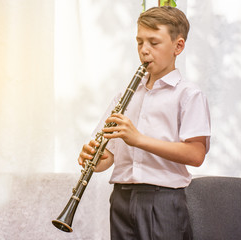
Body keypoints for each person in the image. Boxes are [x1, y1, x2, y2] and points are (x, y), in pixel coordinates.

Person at [78, 6, 211, 240]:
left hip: (163, 200)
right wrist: (93, 158)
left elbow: (196, 154)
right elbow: (107, 157)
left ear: (178, 46)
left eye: (154, 42)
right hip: (121, 197)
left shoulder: (188, 94)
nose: (144, 51)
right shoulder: (124, 95)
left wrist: (138, 139)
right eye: (139, 42)